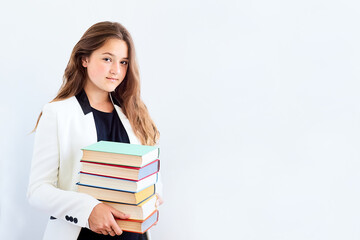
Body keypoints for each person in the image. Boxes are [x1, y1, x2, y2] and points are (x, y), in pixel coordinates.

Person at [27, 21, 163, 240]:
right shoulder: (58, 113)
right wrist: (88, 209)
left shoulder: (134, 114)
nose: (116, 70)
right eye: (107, 59)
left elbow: (152, 176)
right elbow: (37, 191)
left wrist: (154, 194)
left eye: (124, 62)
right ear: (84, 59)